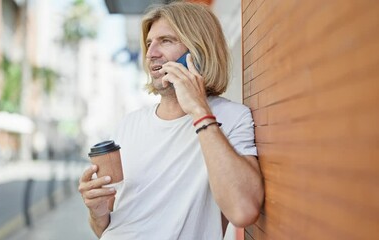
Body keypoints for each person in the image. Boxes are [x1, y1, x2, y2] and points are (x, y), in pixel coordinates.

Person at [79, 2, 264, 239]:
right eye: (149, 43)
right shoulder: (128, 125)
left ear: (198, 51)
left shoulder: (232, 118)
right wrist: (97, 212)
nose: (151, 53)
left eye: (166, 41)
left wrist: (199, 111)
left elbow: (243, 211)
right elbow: (106, 228)